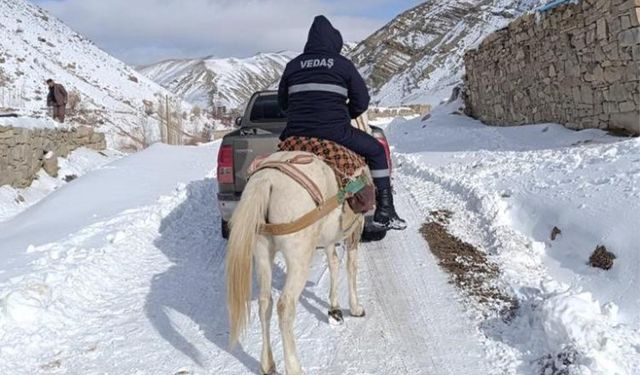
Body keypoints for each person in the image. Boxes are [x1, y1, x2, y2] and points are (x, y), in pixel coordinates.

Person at [278, 15, 406, 231]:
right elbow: (362, 101)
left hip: (295, 134)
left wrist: (301, 116)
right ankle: (386, 210)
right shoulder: (342, 65)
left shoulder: (292, 66)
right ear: (333, 43)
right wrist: (345, 115)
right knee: (375, 150)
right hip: (335, 132)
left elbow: (282, 103)